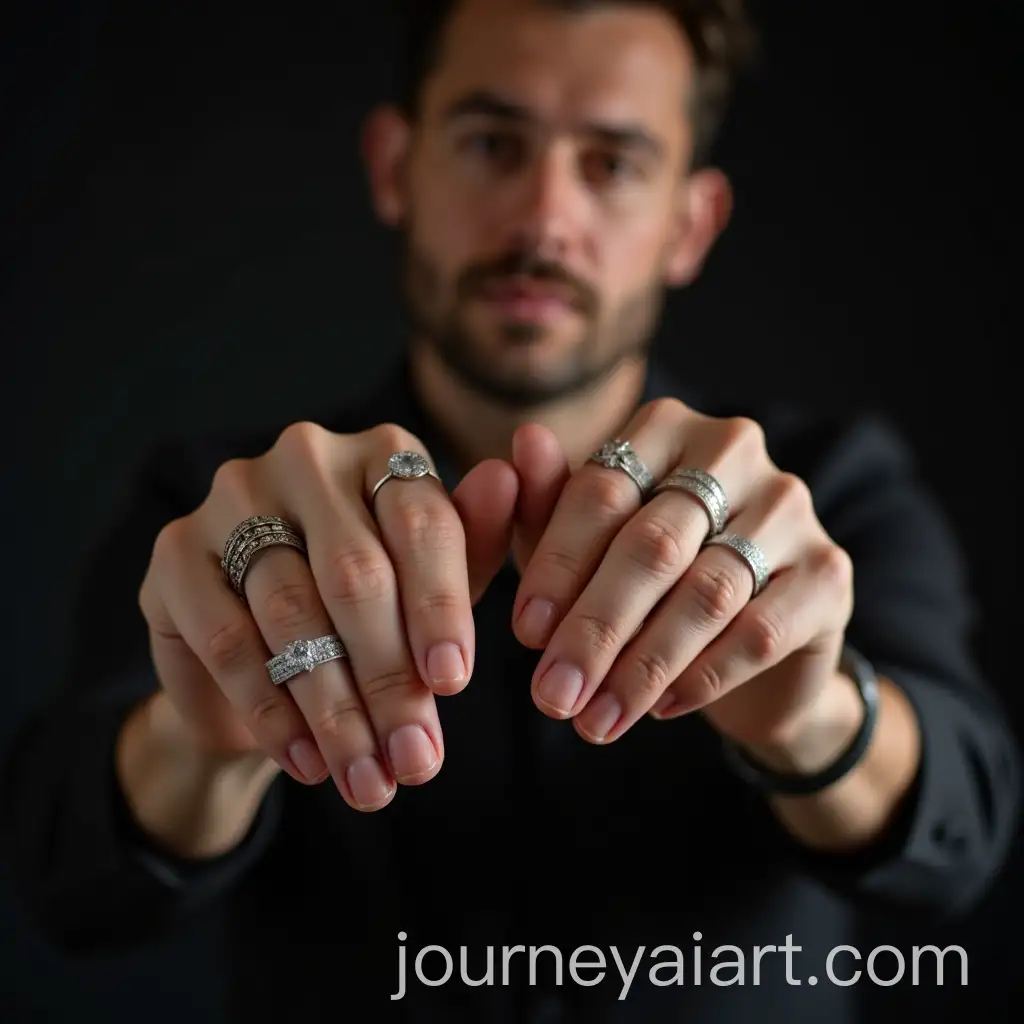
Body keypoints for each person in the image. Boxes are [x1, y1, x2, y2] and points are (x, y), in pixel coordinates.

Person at [2, 0, 1020, 1021]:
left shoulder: (832, 489)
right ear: (395, 167)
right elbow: (69, 890)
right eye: (492, 143)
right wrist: (202, 740)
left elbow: (960, 845)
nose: (542, 219)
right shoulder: (219, 507)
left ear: (688, 223)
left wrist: (815, 722)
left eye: (612, 164)